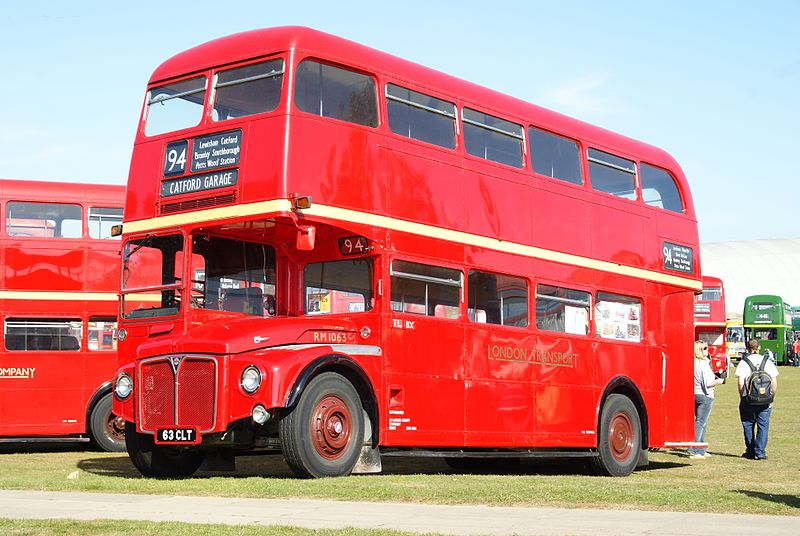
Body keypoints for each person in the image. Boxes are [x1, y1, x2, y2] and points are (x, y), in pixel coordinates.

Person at [735, 339, 779, 460]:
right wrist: (771, 396)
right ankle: (760, 452)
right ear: (759, 347)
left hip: (748, 398)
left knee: (748, 424)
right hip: (765, 399)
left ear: (747, 349)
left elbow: (740, 383)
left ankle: (750, 451)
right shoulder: (767, 361)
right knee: (763, 425)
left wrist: (742, 396)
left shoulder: (744, 363)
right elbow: (774, 382)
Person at [687, 341, 724, 459]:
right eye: (705, 348)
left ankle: (701, 448)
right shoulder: (703, 364)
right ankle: (694, 449)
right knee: (700, 422)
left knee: (702, 422)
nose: (707, 350)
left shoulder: (692, 363)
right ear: (699, 350)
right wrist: (719, 381)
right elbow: (708, 383)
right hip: (705, 395)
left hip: (694, 394)